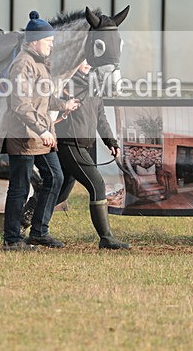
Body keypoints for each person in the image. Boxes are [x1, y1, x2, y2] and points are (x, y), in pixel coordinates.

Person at [0, 11, 80, 251]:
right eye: (48, 41)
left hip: (39, 133)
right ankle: (12, 239)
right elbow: (20, 104)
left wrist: (63, 105)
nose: (52, 46)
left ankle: (39, 232)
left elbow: (42, 97)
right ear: (34, 42)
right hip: (23, 135)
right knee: (20, 187)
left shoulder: (40, 63)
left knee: (55, 177)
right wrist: (43, 130)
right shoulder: (22, 64)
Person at [54, 59, 130, 249]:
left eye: (90, 59)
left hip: (84, 145)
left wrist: (110, 141)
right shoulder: (63, 82)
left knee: (58, 192)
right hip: (69, 144)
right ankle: (106, 238)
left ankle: (28, 225)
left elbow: (100, 116)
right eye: (83, 59)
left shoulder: (94, 84)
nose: (88, 63)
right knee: (97, 185)